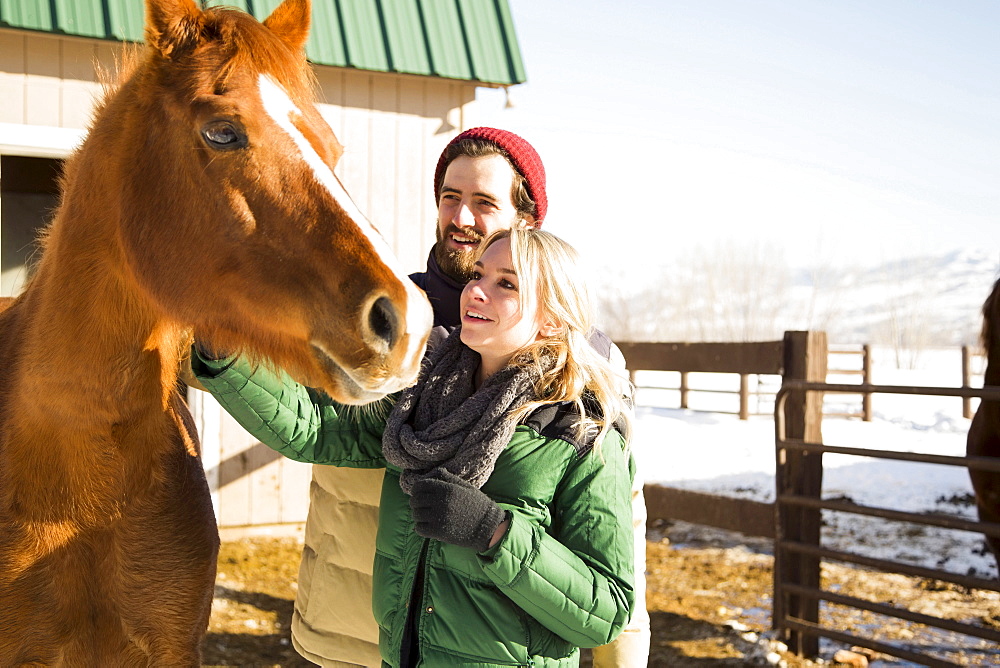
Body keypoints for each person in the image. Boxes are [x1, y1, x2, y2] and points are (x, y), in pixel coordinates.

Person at [192, 228, 636, 666]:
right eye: (478, 275)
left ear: (553, 318)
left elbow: (607, 611)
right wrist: (225, 352)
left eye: (506, 284)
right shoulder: (424, 397)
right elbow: (317, 428)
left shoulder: (583, 432)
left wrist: (495, 532)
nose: (477, 291)